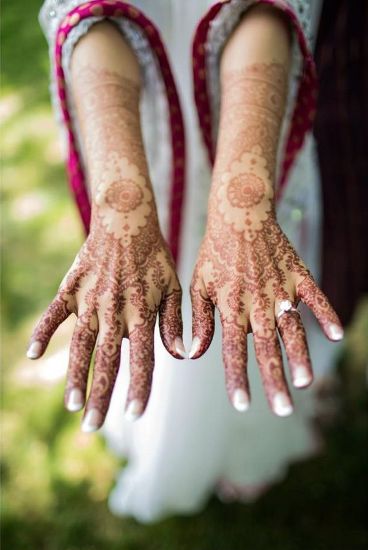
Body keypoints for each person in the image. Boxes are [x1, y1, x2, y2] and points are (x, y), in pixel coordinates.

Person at [27, 0, 344, 523]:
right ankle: (165, 429)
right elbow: (87, 9)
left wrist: (243, 200)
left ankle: (247, 435)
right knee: (134, 283)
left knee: (253, 284)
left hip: (252, 122)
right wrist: (119, 201)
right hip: (133, 130)